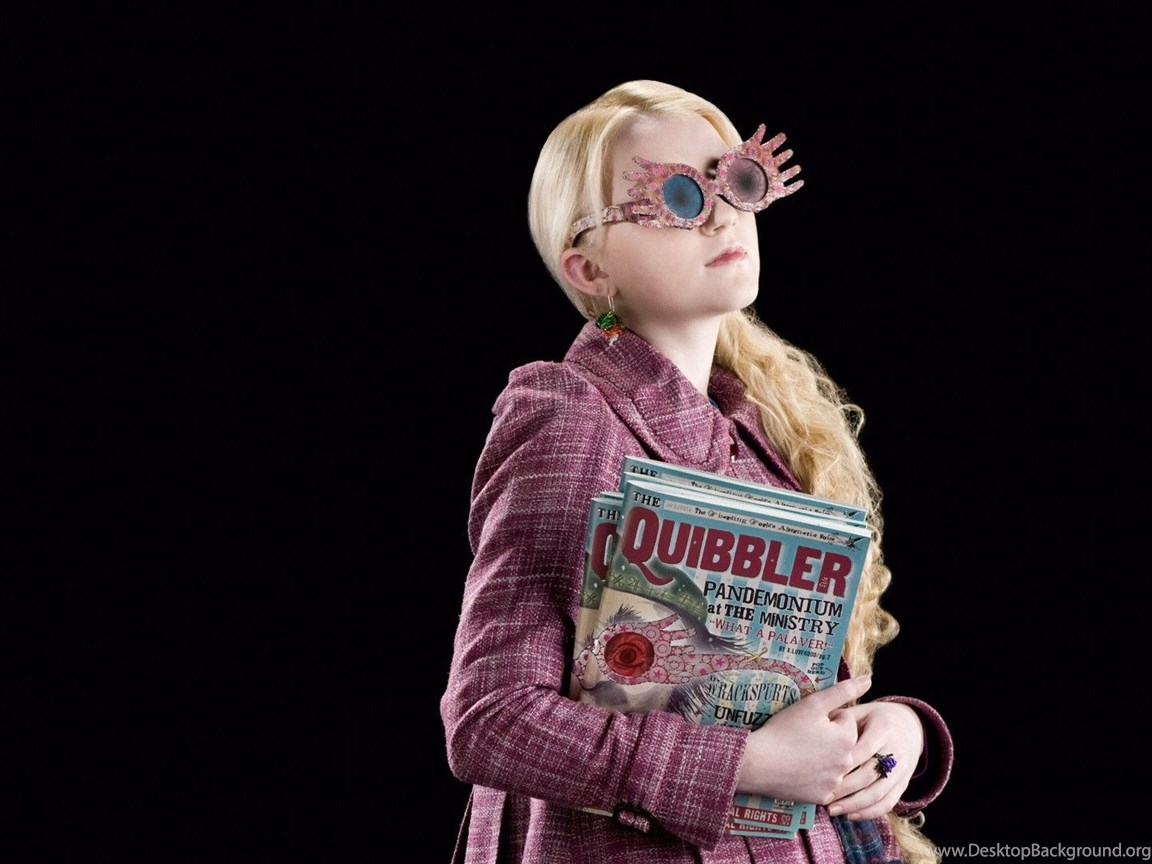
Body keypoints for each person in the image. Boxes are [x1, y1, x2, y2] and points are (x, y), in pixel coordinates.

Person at [440, 79, 953, 864]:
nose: (722, 215)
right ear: (588, 268)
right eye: (678, 197)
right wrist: (746, 765)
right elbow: (491, 719)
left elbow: (768, 696)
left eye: (736, 181)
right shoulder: (571, 415)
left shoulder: (763, 427)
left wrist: (892, 733)